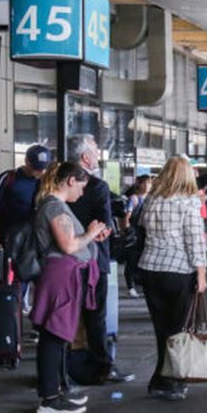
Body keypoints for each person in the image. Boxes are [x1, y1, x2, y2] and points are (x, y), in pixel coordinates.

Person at [30, 162, 110, 413]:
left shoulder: (54, 205)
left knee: (58, 334)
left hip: (62, 275)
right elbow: (68, 245)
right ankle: (50, 398)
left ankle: (56, 390)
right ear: (70, 181)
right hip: (61, 276)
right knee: (55, 334)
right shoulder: (54, 206)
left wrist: (88, 238)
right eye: (82, 187)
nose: (82, 194)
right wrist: (90, 233)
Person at [138, 156, 207, 402]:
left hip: (150, 268)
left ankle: (159, 378)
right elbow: (194, 240)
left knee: (161, 329)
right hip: (178, 270)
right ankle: (171, 381)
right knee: (178, 330)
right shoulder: (188, 202)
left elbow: (142, 228)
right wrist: (201, 274)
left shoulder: (151, 199)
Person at [67, 134, 133, 384]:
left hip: (64, 261)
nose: (97, 154)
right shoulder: (97, 186)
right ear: (85, 157)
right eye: (95, 151)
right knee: (96, 314)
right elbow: (104, 224)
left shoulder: (57, 183)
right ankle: (102, 366)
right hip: (94, 260)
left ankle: (69, 367)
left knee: (68, 315)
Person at [0, 144, 52, 312]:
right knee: (13, 289)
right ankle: (9, 330)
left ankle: (39, 328)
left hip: (36, 246)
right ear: (26, 162)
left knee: (46, 285)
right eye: (36, 168)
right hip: (8, 245)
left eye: (43, 169)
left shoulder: (47, 182)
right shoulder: (8, 179)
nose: (40, 172)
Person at [124, 174, 152, 298]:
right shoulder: (134, 199)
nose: (147, 186)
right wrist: (128, 231)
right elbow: (126, 218)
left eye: (149, 183)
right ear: (138, 184)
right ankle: (130, 285)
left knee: (144, 259)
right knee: (132, 260)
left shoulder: (151, 198)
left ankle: (140, 282)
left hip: (147, 233)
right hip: (135, 233)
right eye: (144, 183)